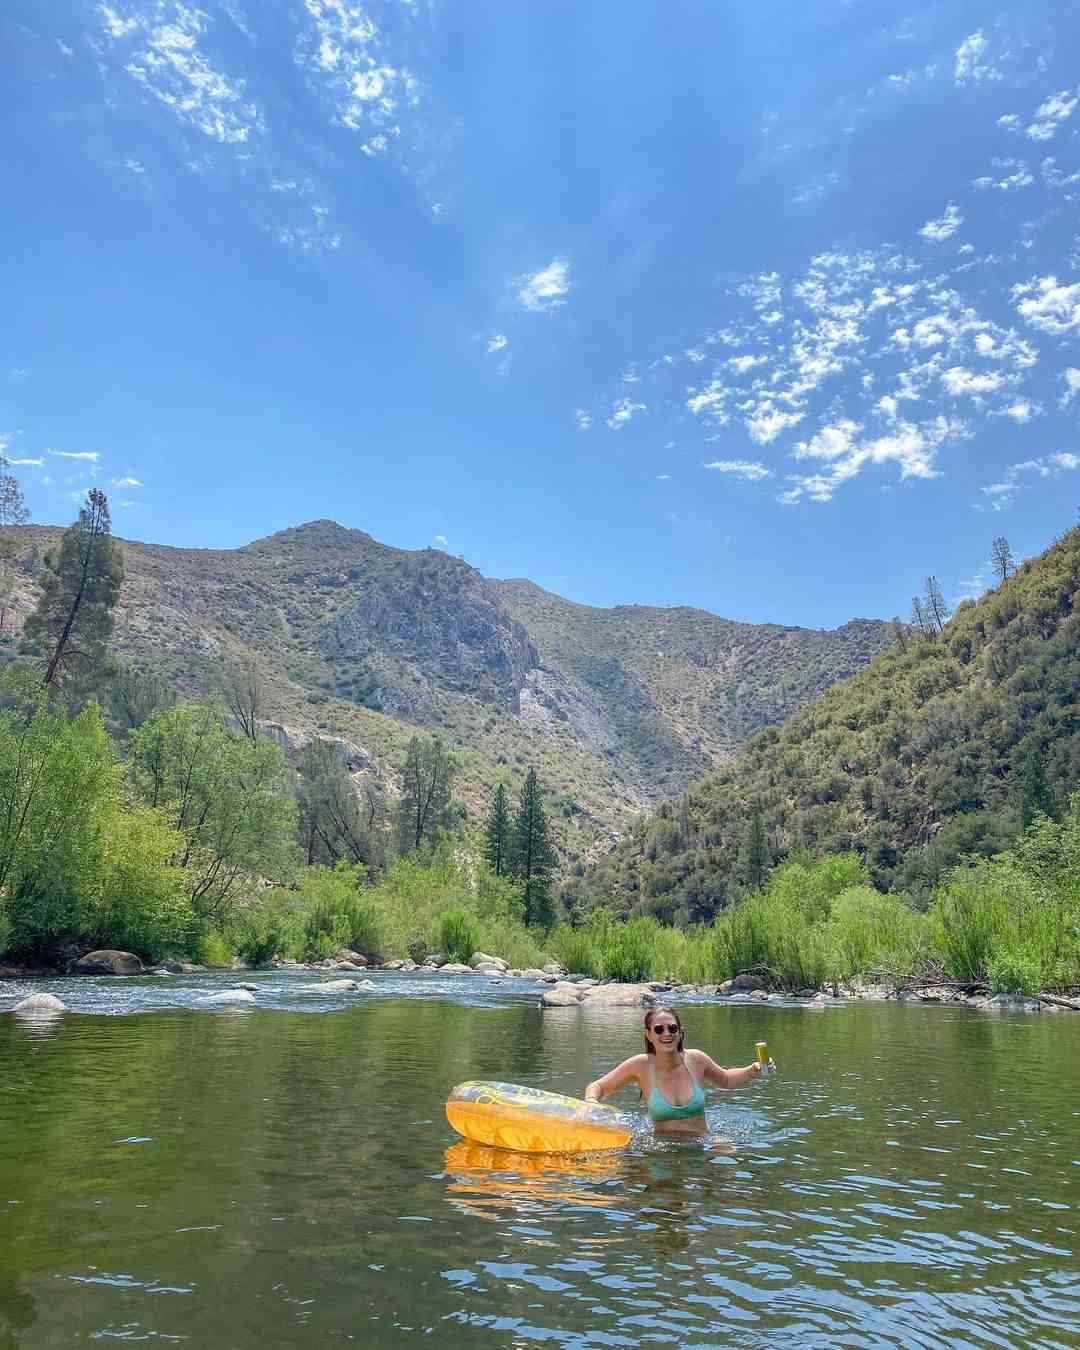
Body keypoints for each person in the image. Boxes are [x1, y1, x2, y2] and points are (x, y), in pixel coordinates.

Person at [583, 1006, 776, 1136]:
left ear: (680, 1032)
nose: (666, 1034)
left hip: (702, 1143)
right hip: (660, 1148)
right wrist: (592, 1103)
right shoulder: (640, 1066)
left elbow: (726, 1080)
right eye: (659, 1030)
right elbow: (598, 1086)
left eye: (672, 1028)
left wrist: (751, 1071)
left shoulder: (697, 1059)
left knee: (728, 1168)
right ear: (648, 1035)